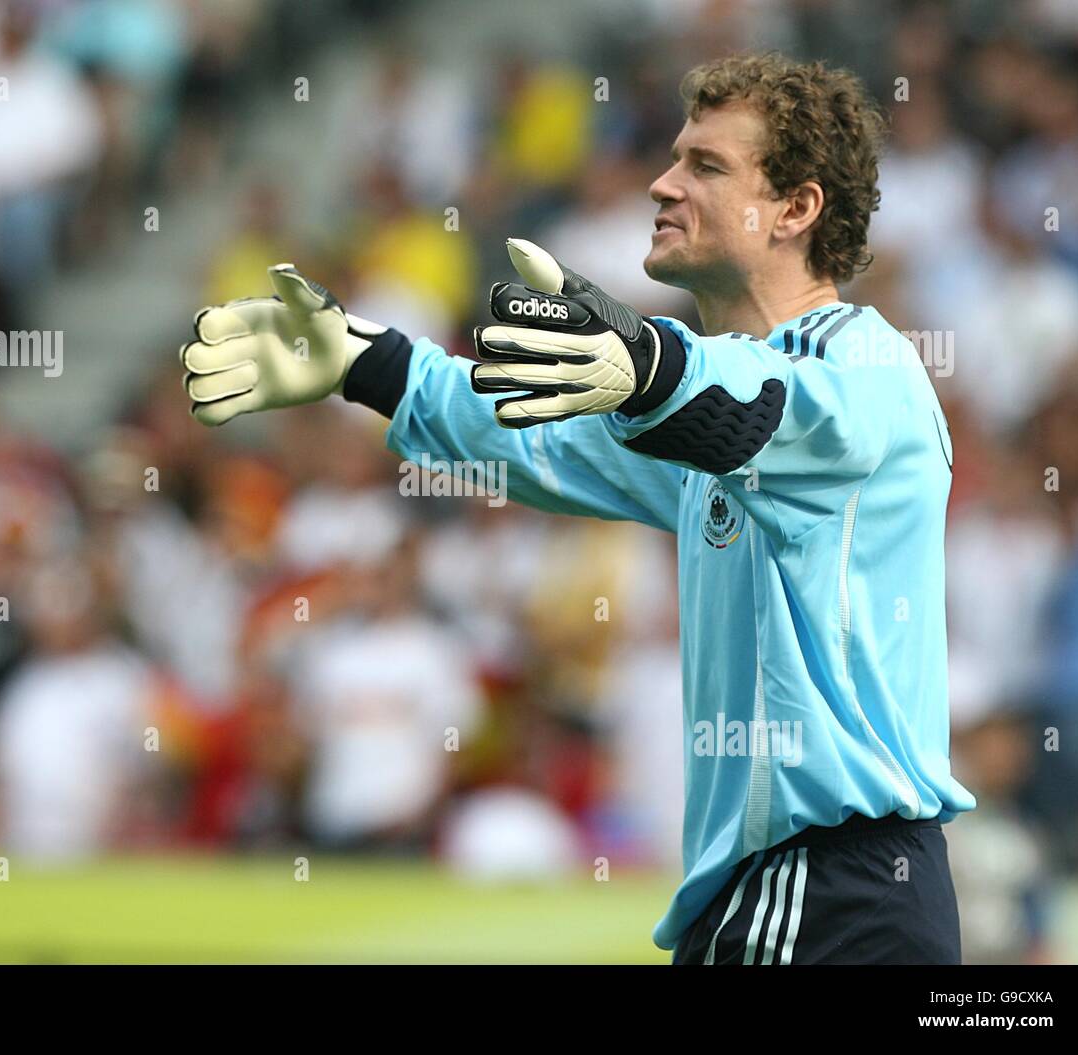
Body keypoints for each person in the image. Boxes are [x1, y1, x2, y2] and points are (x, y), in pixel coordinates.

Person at [176, 52, 975, 965]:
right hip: (783, 896)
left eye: (706, 166)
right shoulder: (697, 426)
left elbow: (765, 401)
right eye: (675, 157)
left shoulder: (866, 374)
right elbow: (533, 434)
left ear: (795, 209)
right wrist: (367, 361)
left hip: (833, 891)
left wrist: (649, 367)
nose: (663, 183)